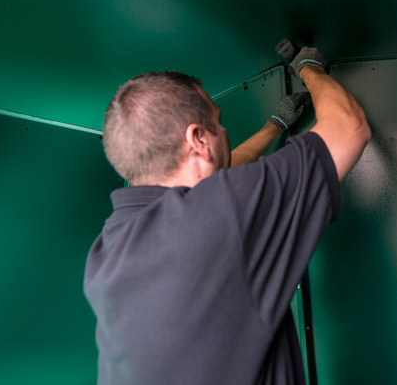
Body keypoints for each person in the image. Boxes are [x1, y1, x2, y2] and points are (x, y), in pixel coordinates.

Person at [84, 46, 370, 384]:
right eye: (218, 123)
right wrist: (308, 67)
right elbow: (348, 127)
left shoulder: (109, 247)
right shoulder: (219, 215)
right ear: (198, 139)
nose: (223, 132)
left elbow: (214, 178)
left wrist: (273, 127)